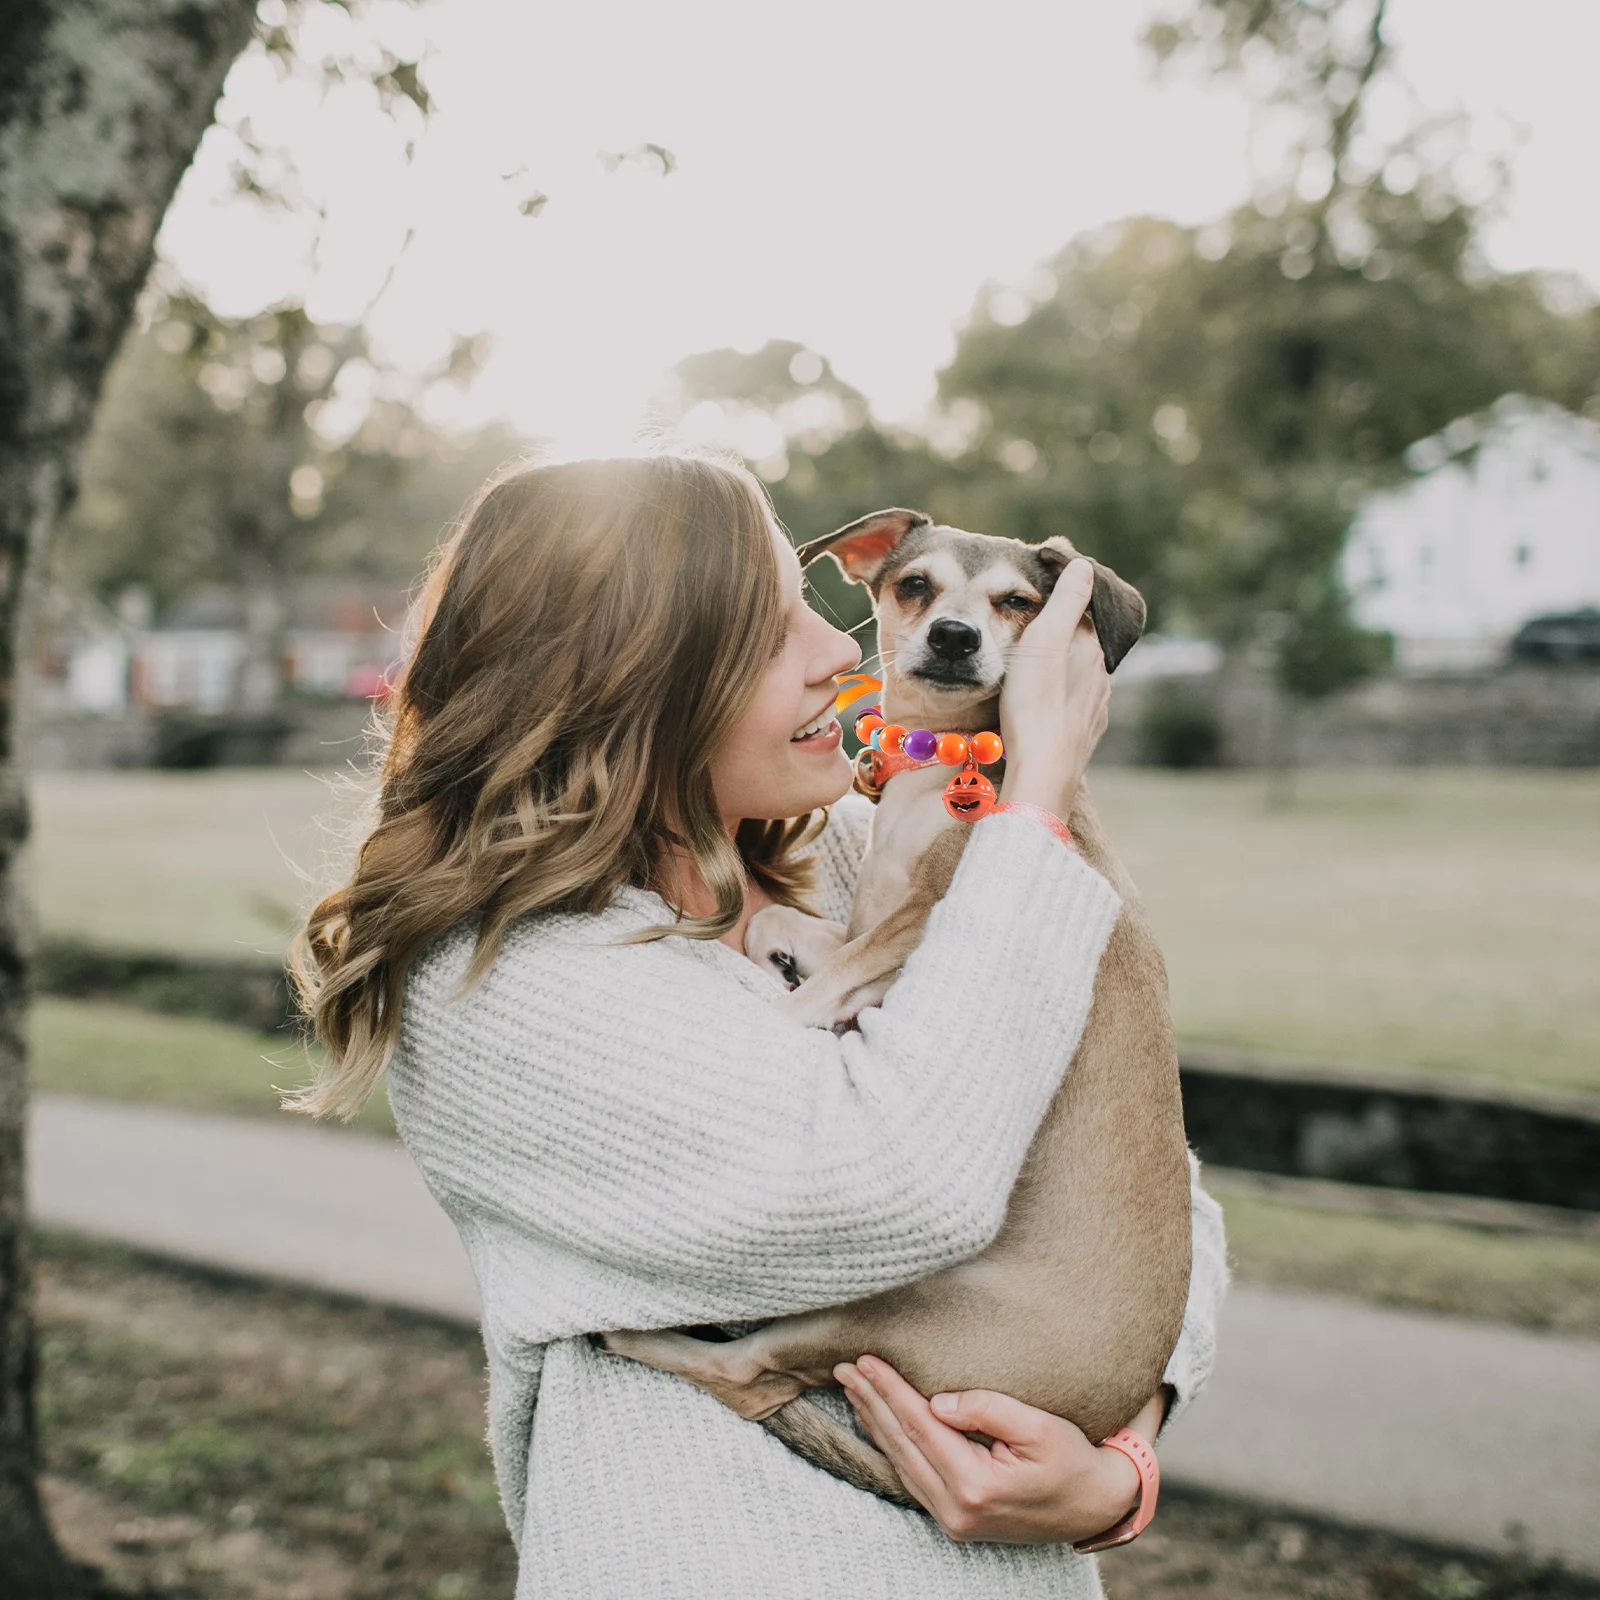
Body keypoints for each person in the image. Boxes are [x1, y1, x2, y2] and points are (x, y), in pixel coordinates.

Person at [290, 452, 1228, 1599]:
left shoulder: (854, 862)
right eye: (777, 627)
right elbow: (899, 1180)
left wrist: (1120, 1460)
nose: (842, 646)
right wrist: (1033, 802)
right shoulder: (502, 984)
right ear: (635, 681)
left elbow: (1151, 1189)